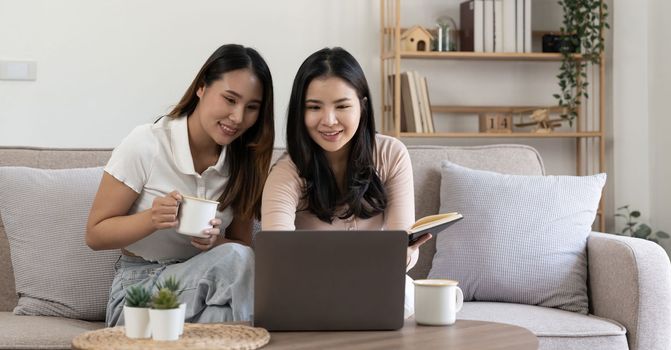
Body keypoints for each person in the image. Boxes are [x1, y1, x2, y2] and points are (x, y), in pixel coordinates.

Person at [86, 44, 274, 326]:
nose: (238, 117)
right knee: (236, 269)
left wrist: (215, 242)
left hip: (203, 295)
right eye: (230, 99)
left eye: (251, 108)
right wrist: (151, 218)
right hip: (138, 295)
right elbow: (95, 235)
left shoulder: (245, 164)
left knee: (222, 315)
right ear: (201, 87)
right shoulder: (146, 144)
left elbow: (241, 250)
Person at [261, 47, 431, 317]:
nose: (329, 121)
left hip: (378, 283)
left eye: (342, 106)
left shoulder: (391, 154)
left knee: (409, 297)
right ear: (299, 112)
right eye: (314, 107)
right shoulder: (286, 172)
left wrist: (404, 255)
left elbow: (401, 245)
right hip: (311, 290)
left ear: (362, 106)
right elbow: (277, 258)